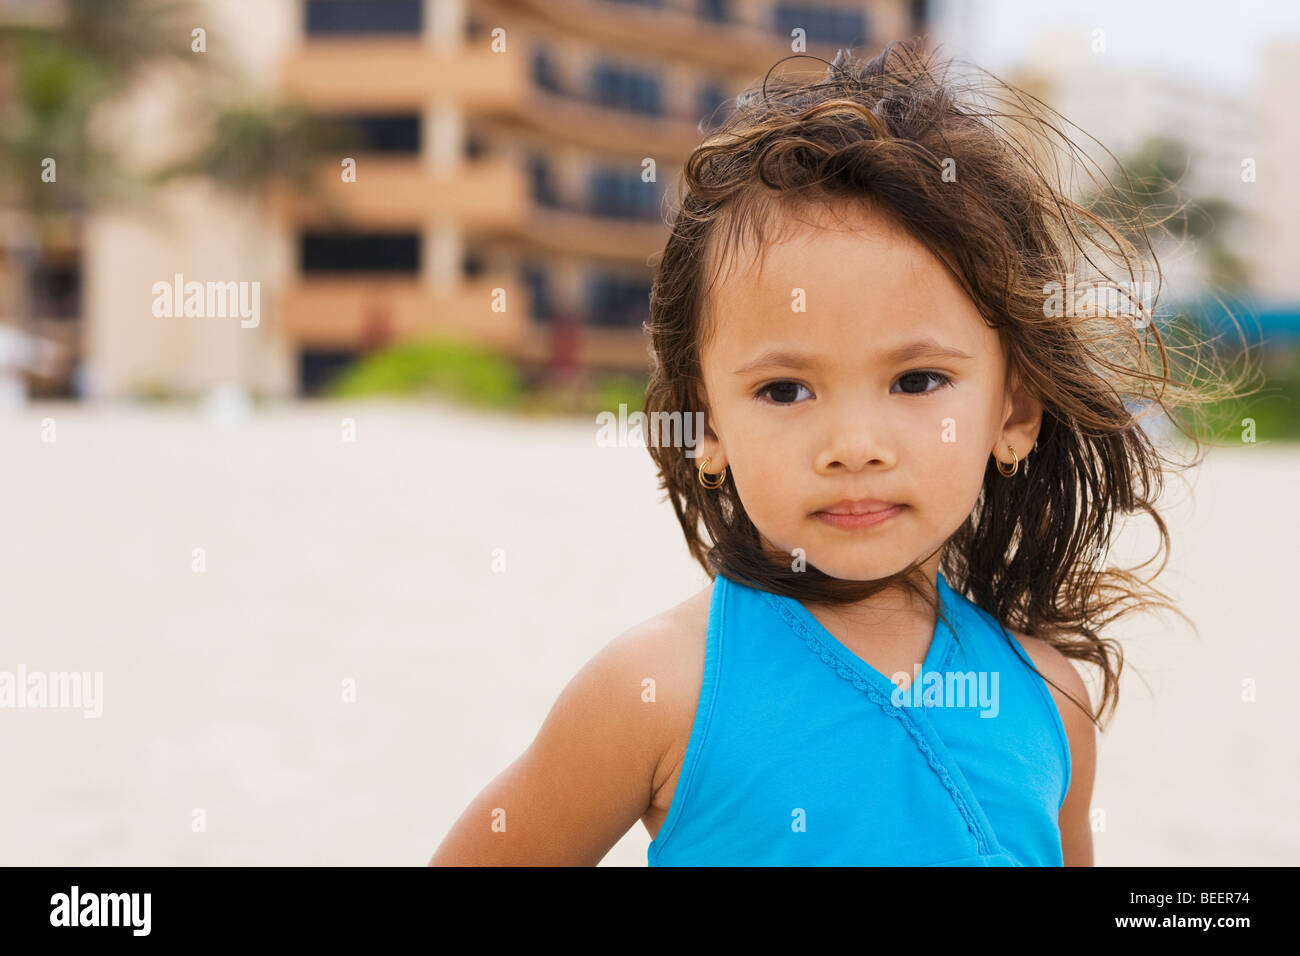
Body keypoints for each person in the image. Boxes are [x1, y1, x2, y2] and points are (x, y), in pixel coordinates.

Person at [429, 40, 1252, 866]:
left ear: (1016, 412)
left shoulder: (1049, 701)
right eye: (785, 391)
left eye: (918, 380)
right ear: (705, 424)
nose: (853, 448)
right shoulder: (657, 690)